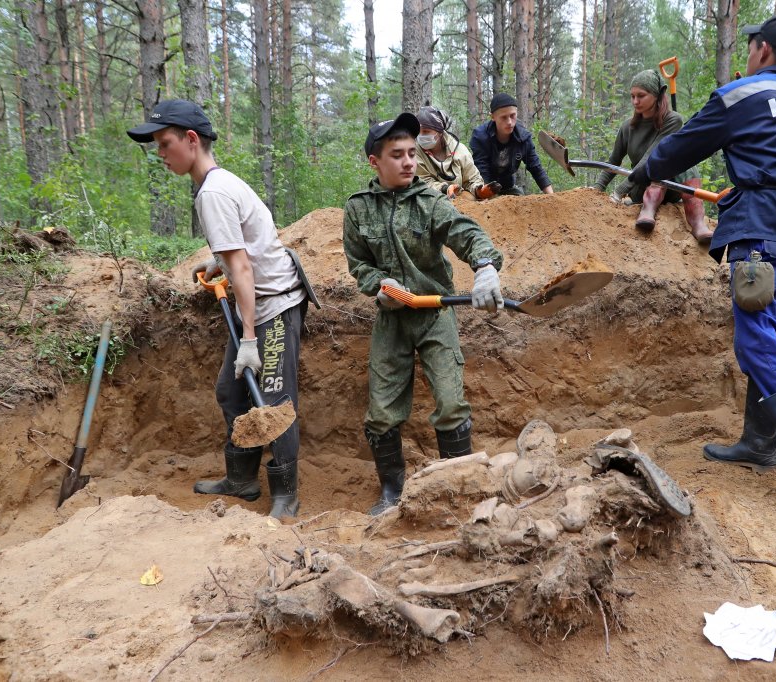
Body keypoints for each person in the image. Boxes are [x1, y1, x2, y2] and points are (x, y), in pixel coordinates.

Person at [627, 13, 776, 521]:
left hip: (762, 236)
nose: (749, 55)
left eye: (751, 47)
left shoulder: (742, 94)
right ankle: (759, 442)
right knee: (770, 330)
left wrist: (643, 173)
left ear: (763, 50)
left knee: (756, 337)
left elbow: (680, 148)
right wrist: (762, 180)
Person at [127, 100, 308, 520]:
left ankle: (286, 495)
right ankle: (242, 479)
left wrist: (248, 338)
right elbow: (244, 247)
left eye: (164, 143)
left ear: (191, 140)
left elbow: (244, 267)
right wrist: (219, 261)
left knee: (276, 401)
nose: (160, 153)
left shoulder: (213, 191)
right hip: (257, 303)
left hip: (273, 307)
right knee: (232, 391)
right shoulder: (219, 183)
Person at [343, 113, 505, 516]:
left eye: (413, 153)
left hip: (435, 313)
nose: (409, 162)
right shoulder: (358, 210)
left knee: (451, 402)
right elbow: (358, 263)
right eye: (397, 155)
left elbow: (464, 231)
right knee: (381, 412)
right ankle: (391, 492)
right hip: (391, 318)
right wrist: (379, 286)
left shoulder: (431, 200)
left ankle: (458, 486)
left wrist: (484, 266)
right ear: (374, 162)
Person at [594, 70, 713, 243]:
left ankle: (698, 223)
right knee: (661, 162)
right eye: (632, 96)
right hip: (640, 186)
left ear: (657, 95)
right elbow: (614, 161)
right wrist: (596, 189)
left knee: (671, 160)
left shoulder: (673, 121)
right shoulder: (627, 127)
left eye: (641, 95)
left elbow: (651, 157)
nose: (635, 101)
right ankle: (647, 209)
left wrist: (619, 192)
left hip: (671, 188)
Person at [469, 94, 555, 196]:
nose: (509, 122)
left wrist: (551, 197)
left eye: (512, 115)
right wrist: (487, 197)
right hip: (483, 187)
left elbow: (536, 168)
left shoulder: (523, 138)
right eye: (504, 117)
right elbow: (482, 170)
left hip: (508, 187)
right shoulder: (480, 137)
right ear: (492, 117)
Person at [414, 105, 500, 201]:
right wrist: (444, 189)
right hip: (429, 199)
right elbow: (421, 181)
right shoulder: (414, 152)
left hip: (460, 198)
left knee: (469, 198)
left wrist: (479, 190)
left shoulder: (460, 151)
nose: (421, 136)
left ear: (439, 132)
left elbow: (472, 178)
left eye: (426, 131)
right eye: (418, 131)